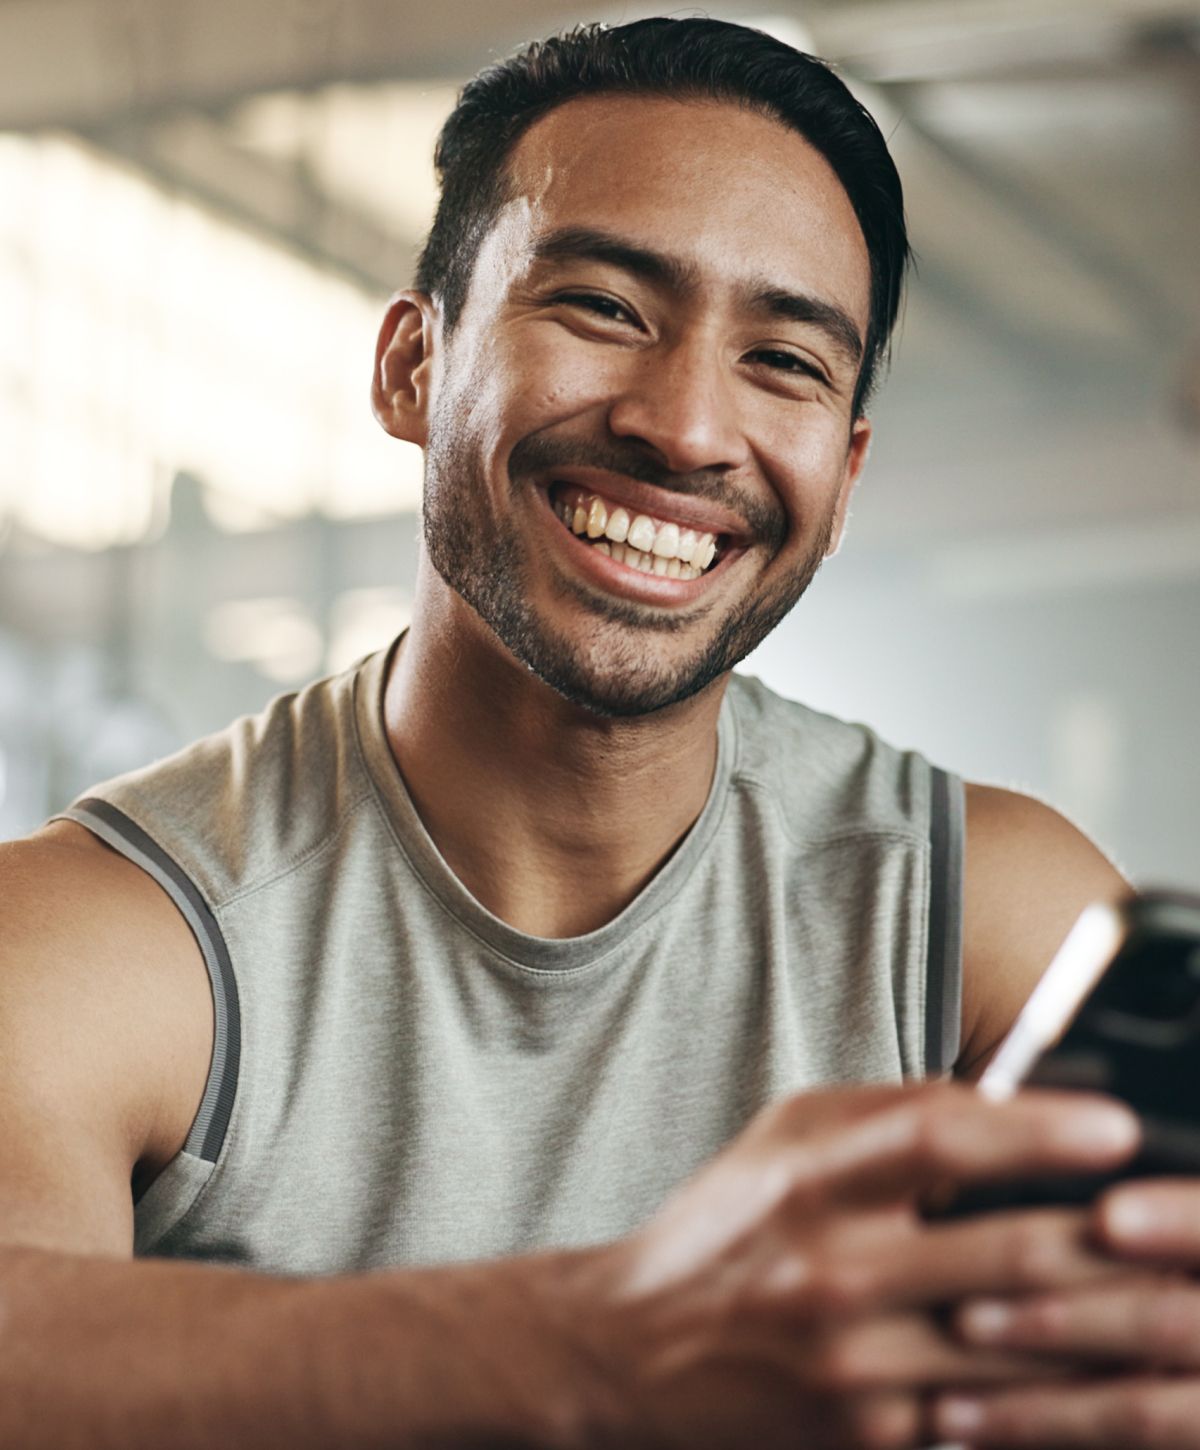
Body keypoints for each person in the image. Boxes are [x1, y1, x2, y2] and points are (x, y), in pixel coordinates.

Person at [1, 17, 1197, 1449]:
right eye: (605, 309)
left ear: (845, 468)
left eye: (786, 363)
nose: (687, 426)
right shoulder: (103, 936)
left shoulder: (987, 915)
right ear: (412, 365)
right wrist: (601, 1348)